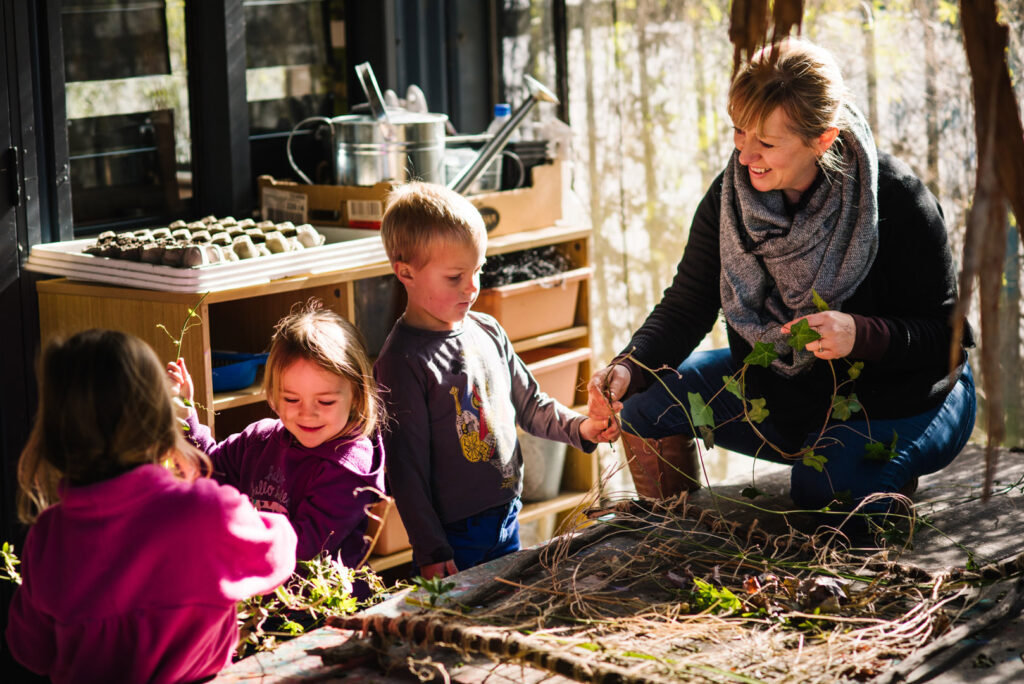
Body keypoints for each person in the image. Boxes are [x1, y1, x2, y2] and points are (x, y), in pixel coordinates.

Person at [588, 38, 976, 516]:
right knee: (646, 404)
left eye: (767, 143)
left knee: (826, 493)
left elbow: (948, 338)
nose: (746, 155)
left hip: (908, 396)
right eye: (739, 133)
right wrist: (629, 365)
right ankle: (671, 534)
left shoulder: (896, 199)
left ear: (823, 139)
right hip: (787, 391)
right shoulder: (731, 199)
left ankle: (871, 468)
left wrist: (862, 334)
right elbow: (688, 304)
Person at [7, 329, 297, 684]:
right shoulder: (206, 511)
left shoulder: (49, 535)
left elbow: (31, 650)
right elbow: (280, 551)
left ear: (54, 434)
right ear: (159, 420)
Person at [375, 182, 620, 579]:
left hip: (507, 515)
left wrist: (583, 427)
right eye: (455, 277)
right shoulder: (402, 362)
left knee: (505, 605)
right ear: (405, 272)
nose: (472, 287)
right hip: (455, 535)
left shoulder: (487, 329)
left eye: (478, 270)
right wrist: (431, 549)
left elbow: (531, 405)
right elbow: (407, 471)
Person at [169, 301, 385, 568]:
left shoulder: (348, 464)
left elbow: (303, 549)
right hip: (262, 597)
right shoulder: (259, 440)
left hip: (319, 605)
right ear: (272, 393)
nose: (308, 413)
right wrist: (186, 414)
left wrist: (226, 537)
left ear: (355, 396)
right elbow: (208, 469)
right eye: (292, 399)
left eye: (326, 402)